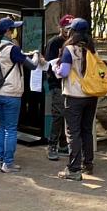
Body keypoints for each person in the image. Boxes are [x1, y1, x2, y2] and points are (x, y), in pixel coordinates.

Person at [0, 18, 43, 173]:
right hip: (11, 93)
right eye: (13, 28)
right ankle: (8, 163)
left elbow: (16, 57)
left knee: (2, 127)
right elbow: (32, 65)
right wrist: (35, 54)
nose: (15, 31)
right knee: (11, 129)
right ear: (8, 31)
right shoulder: (12, 48)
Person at [55, 18, 99, 181]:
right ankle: (88, 164)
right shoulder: (92, 49)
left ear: (72, 32)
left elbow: (64, 71)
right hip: (91, 95)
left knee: (73, 132)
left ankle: (74, 168)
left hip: (74, 96)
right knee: (87, 130)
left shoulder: (70, 50)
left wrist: (55, 69)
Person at [44, 15, 74, 160]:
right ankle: (52, 145)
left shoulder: (74, 42)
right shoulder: (54, 42)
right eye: (66, 28)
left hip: (71, 84)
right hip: (57, 84)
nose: (68, 31)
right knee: (58, 114)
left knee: (67, 115)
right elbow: (49, 63)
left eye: (71, 28)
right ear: (60, 28)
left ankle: (63, 144)